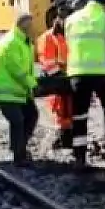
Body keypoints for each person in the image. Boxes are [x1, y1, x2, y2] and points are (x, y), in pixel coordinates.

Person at [66, 0, 105, 165]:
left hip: (78, 74)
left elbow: (69, 42)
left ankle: (80, 156)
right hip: (102, 73)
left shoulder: (72, 19)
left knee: (80, 115)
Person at [0, 13, 38, 165]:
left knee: (31, 115)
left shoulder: (23, 42)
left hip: (17, 91)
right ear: (23, 26)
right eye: (31, 26)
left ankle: (19, 147)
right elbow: (16, 69)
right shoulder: (10, 43)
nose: (33, 29)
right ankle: (18, 155)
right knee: (18, 120)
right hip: (5, 91)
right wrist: (33, 84)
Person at [36, 9, 73, 150]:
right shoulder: (47, 38)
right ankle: (62, 139)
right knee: (61, 112)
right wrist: (62, 75)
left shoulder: (69, 36)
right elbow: (48, 63)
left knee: (71, 111)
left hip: (68, 80)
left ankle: (68, 139)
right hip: (58, 82)